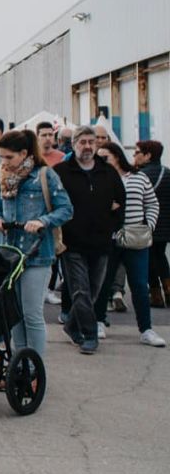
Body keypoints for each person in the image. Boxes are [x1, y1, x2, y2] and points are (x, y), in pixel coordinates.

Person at [0, 129, 73, 356]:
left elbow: (66, 209)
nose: (4, 162)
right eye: (1, 157)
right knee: (13, 314)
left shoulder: (45, 175)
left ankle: (35, 366)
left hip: (37, 254)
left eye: (9, 157)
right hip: (8, 253)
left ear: (24, 153)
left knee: (31, 313)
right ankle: (19, 363)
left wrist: (42, 221)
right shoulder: (2, 177)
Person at [53, 126, 124, 354]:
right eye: (82, 141)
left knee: (94, 290)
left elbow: (120, 201)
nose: (87, 146)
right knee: (80, 291)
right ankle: (89, 334)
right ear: (73, 144)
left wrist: (113, 224)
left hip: (102, 242)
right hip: (72, 243)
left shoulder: (108, 172)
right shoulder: (62, 171)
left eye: (91, 142)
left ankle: (72, 324)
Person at [94, 143, 164, 347]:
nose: (102, 161)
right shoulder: (99, 178)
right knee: (103, 282)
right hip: (108, 238)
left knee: (140, 285)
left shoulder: (138, 177)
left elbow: (152, 203)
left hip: (135, 237)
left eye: (105, 157)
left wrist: (148, 226)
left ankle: (146, 328)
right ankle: (98, 321)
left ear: (116, 156)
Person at [134, 140, 170, 308]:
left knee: (148, 260)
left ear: (147, 155)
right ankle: (168, 292)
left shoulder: (140, 176)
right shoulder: (167, 173)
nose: (134, 156)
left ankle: (156, 295)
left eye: (137, 153)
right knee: (161, 257)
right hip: (165, 226)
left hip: (146, 224)